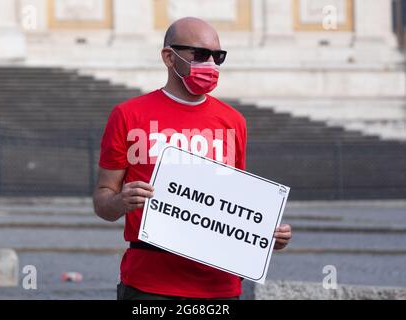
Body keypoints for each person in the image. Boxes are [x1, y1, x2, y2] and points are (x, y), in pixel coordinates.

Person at [93, 17, 292, 300]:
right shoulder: (128, 115)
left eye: (217, 56)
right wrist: (119, 201)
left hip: (219, 288)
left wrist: (264, 234)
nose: (210, 64)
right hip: (149, 285)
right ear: (168, 57)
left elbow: (235, 203)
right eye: (199, 55)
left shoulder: (233, 121)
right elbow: (103, 202)